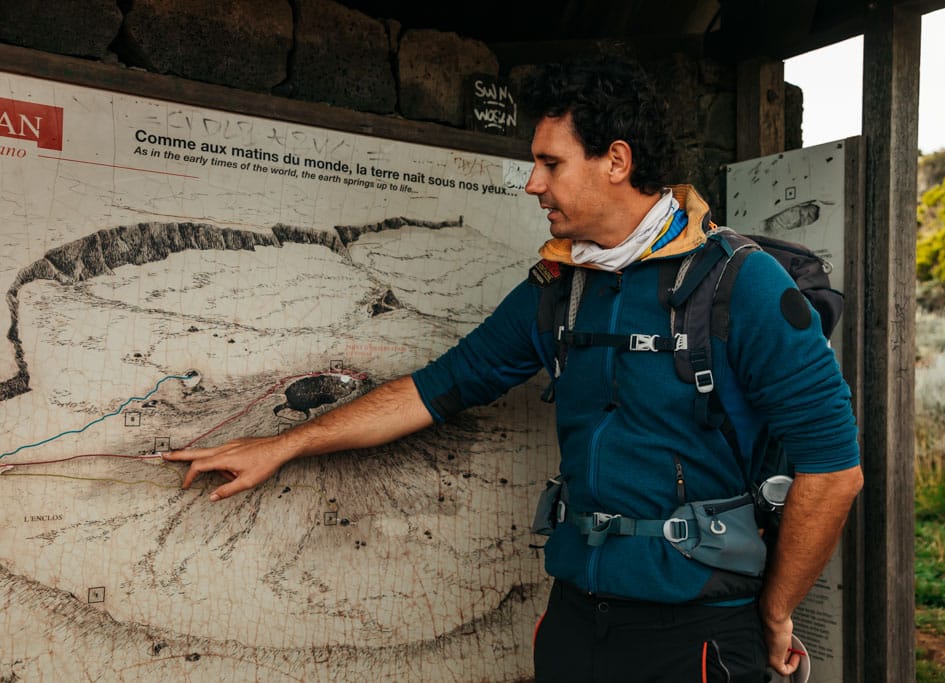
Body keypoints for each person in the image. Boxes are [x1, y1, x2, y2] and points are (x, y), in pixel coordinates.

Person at [163, 54, 863, 682]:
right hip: (575, 624)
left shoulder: (742, 287)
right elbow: (436, 388)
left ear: (616, 160)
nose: (532, 183)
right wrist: (286, 443)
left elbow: (833, 469)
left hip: (700, 636)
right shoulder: (560, 289)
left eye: (550, 163)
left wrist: (775, 611)